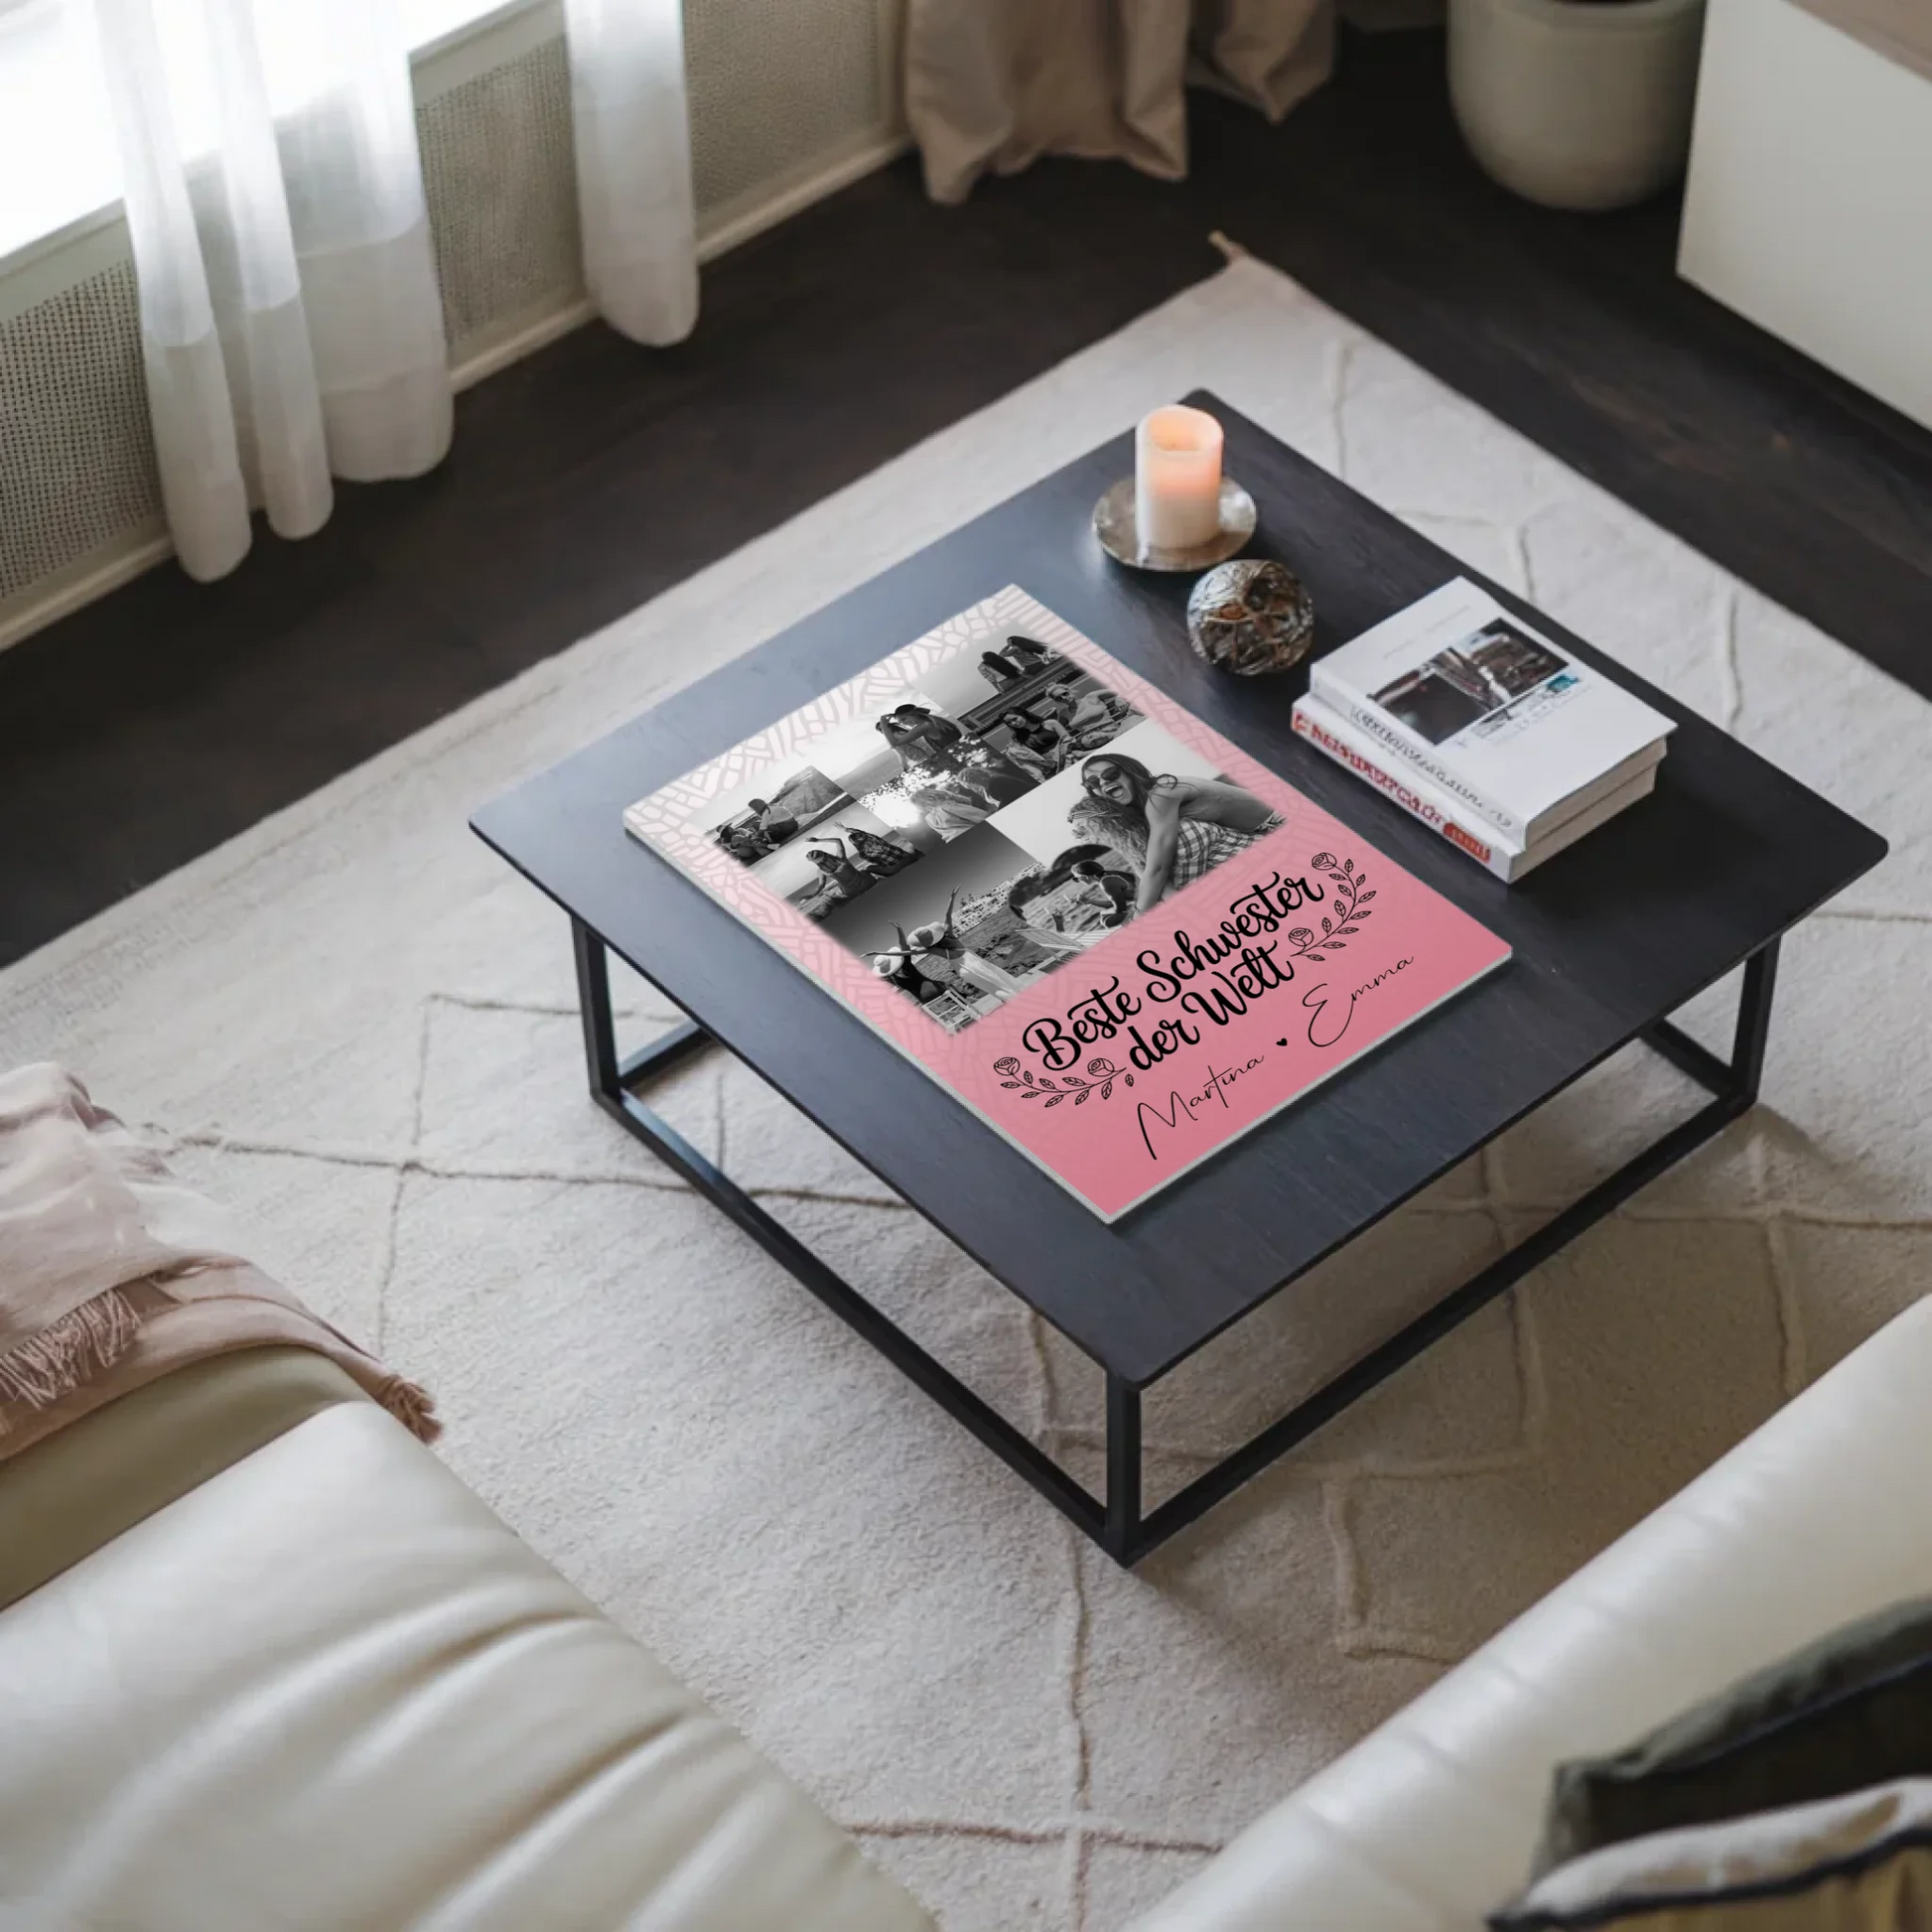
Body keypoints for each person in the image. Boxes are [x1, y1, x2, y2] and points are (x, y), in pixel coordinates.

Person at [1069, 753, 1282, 914]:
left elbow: (1157, 868)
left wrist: (1139, 915)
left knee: (1179, 845)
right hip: (1254, 837)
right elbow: (1146, 863)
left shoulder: (1162, 793)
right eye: (1093, 783)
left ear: (1130, 771)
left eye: (1110, 774)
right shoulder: (1147, 809)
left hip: (1279, 822)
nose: (1103, 782)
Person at [1044, 681, 1133, 755]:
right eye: (1059, 698)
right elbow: (1059, 731)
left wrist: (1118, 699)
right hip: (1090, 742)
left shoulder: (1091, 697)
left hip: (1110, 731)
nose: (1064, 698)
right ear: (1056, 701)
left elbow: (1118, 690)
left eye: (1065, 694)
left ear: (1069, 691)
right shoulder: (1063, 713)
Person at [999, 707, 1069, 783]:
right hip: (1050, 768)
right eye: (1009, 723)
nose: (1013, 723)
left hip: (1067, 757)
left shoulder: (1050, 724)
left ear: (1023, 714)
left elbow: (1067, 740)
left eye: (1014, 719)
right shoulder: (1017, 740)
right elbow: (1025, 762)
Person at [801, 840, 875, 904]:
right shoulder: (841, 859)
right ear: (825, 853)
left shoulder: (821, 871)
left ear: (815, 862)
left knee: (840, 885)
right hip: (866, 883)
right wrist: (817, 840)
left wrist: (812, 895)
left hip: (851, 892)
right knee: (865, 870)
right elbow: (838, 841)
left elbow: (821, 886)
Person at [844, 827, 919, 877]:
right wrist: (847, 829)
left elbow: (881, 864)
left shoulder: (864, 853)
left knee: (869, 868)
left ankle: (891, 874)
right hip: (908, 857)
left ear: (855, 844)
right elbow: (864, 833)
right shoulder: (877, 840)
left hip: (897, 867)